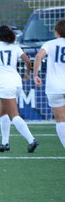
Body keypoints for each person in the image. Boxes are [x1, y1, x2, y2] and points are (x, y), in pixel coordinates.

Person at [0, 25, 38, 152]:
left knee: (14, 115)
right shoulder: (15, 47)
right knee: (2, 111)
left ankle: (32, 140)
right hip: (17, 82)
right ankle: (5, 143)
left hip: (5, 84)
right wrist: (27, 74)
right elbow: (28, 61)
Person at [33, 19, 65, 148]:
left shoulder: (50, 44)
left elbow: (38, 56)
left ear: (56, 32)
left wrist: (35, 75)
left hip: (54, 87)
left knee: (61, 120)